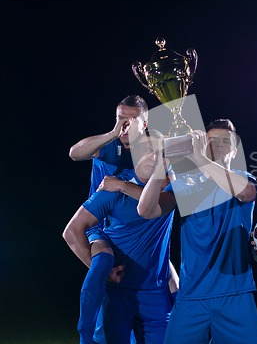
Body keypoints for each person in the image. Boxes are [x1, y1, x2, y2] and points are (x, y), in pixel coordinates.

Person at [138, 119, 257, 344]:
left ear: (234, 151)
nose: (217, 146)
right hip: (191, 296)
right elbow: (146, 210)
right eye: (211, 141)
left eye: (224, 142)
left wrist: (200, 158)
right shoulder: (184, 183)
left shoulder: (241, 178)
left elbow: (246, 193)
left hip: (234, 294)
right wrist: (161, 164)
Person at [63, 130, 177, 343]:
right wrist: (101, 270)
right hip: (118, 292)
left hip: (154, 293)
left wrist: (123, 186)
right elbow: (71, 231)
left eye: (158, 152)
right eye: (146, 150)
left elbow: (150, 206)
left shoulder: (171, 187)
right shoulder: (110, 189)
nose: (152, 156)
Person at [68, 95, 149, 344]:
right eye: (120, 119)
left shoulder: (151, 153)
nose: (125, 125)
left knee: (172, 282)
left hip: (140, 234)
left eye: (132, 120)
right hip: (102, 227)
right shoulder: (110, 148)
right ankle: (86, 338)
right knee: (102, 261)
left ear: (145, 123)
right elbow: (74, 153)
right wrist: (112, 132)